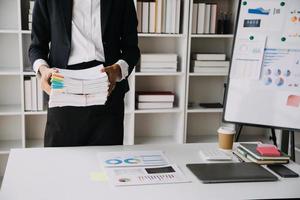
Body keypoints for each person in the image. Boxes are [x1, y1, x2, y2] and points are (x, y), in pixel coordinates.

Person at [29, 0, 140, 147]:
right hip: (63, 89)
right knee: (59, 163)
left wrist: (117, 70)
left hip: (108, 90)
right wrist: (43, 70)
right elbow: (36, 47)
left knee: (105, 165)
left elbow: (131, 49)